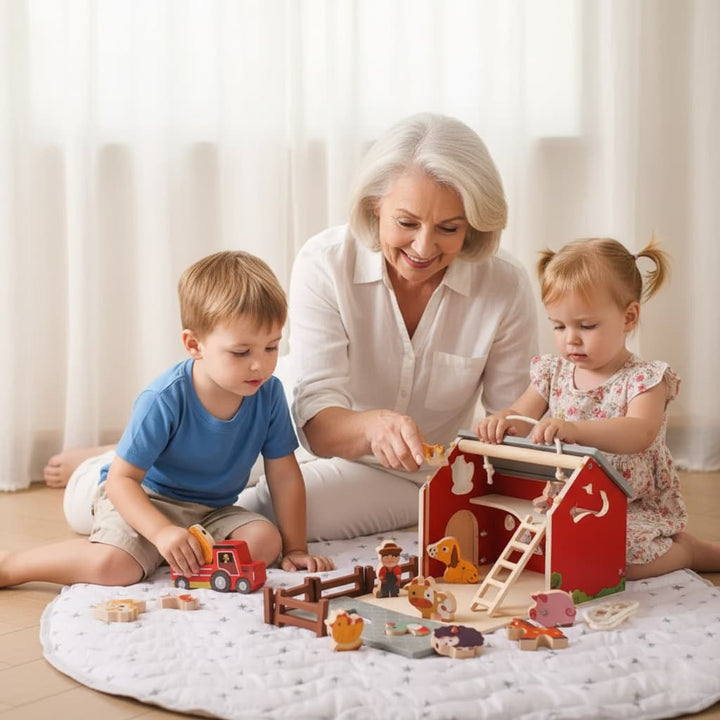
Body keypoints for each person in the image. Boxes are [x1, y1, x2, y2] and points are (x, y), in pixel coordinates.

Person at [45, 113, 539, 541]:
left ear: (474, 224)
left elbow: (511, 420)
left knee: (263, 518)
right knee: (116, 504)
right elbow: (319, 427)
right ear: (375, 207)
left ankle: (149, 460)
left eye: (449, 228)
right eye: (406, 222)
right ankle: (114, 464)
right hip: (281, 429)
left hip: (411, 476)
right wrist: (374, 425)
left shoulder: (505, 286)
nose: (425, 247)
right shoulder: (326, 261)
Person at [1, 251, 332, 590]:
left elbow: (285, 476)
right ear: (194, 345)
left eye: (271, 348)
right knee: (115, 568)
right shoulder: (164, 398)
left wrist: (295, 548)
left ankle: (174, 552)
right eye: (241, 352)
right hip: (147, 499)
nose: (259, 366)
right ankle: (13, 565)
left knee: (265, 541)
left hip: (211, 511)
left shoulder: (269, 393)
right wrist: (160, 532)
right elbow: (122, 481)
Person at [474, 236, 720, 580]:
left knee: (617, 560)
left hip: (626, 501)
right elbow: (521, 417)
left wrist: (575, 429)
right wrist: (500, 422)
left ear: (628, 317)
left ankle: (687, 550)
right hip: (567, 496)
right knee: (535, 544)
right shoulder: (552, 371)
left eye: (586, 326)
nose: (570, 339)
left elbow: (639, 432)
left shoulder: (644, 379)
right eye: (559, 326)